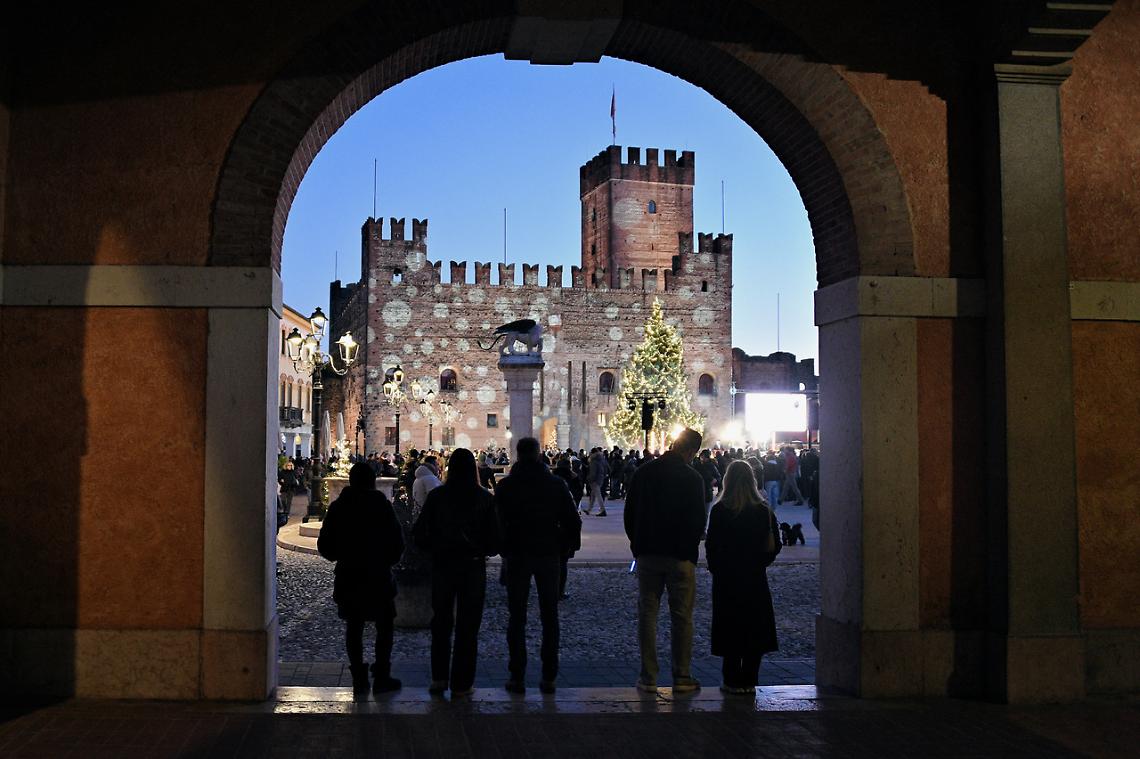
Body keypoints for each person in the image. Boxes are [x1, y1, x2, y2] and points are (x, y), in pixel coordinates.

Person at [494, 437, 582, 694]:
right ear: (539, 454)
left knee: (517, 617)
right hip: (548, 554)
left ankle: (517, 676)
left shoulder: (507, 486)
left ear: (518, 455)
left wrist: (504, 548)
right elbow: (572, 520)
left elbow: (497, 521)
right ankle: (549, 676)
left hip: (518, 554)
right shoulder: (555, 484)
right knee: (549, 615)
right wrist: (567, 547)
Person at [624, 428, 706, 693]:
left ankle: (648, 676)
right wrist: (689, 547)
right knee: (682, 616)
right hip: (680, 557)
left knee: (647, 615)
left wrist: (638, 545)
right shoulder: (692, 478)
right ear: (691, 451)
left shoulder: (644, 473)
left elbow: (630, 514)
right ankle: (681, 675)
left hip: (648, 554)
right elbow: (698, 519)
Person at [412, 448, 500, 697]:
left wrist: (436, 548)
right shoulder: (484, 498)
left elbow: (419, 534)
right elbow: (495, 540)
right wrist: (481, 548)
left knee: (440, 622)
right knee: (468, 626)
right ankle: (463, 682)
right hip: (472, 566)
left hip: (443, 565)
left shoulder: (438, 496)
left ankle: (439, 678)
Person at [316, 463, 405, 699]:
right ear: (372, 481)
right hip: (378, 575)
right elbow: (397, 542)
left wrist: (342, 555)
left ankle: (359, 678)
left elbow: (325, 546)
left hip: (349, 575)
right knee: (385, 625)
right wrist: (386, 560)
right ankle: (382, 676)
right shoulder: (382, 506)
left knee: (354, 627)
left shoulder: (339, 507)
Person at [705, 460, 782, 694]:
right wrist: (759, 564)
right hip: (754, 577)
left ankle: (730, 678)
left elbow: (712, 545)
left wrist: (717, 568)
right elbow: (774, 546)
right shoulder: (763, 511)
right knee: (754, 626)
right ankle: (749, 678)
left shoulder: (720, 511)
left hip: (727, 578)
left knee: (730, 626)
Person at [552, 457, 584, 599]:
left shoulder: (551, 480)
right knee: (562, 562)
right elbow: (577, 496)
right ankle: (559, 591)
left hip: (552, 525)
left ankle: (551, 590)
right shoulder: (573, 478)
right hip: (565, 526)